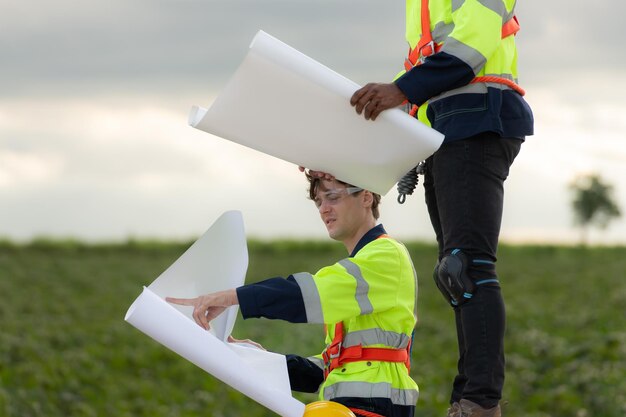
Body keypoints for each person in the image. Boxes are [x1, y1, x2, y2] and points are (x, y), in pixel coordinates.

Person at [348, 1, 534, 416]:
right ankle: (466, 399)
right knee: (456, 272)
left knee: (466, 267)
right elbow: (426, 69)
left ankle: (480, 403)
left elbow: (471, 48)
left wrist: (401, 89)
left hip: (478, 118)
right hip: (445, 128)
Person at [167, 173, 419, 417]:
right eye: (319, 201)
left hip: (375, 408)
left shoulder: (385, 255)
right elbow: (328, 367)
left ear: (366, 197)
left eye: (332, 197)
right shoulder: (364, 264)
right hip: (355, 407)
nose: (323, 209)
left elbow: (306, 294)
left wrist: (233, 297)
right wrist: (258, 359)